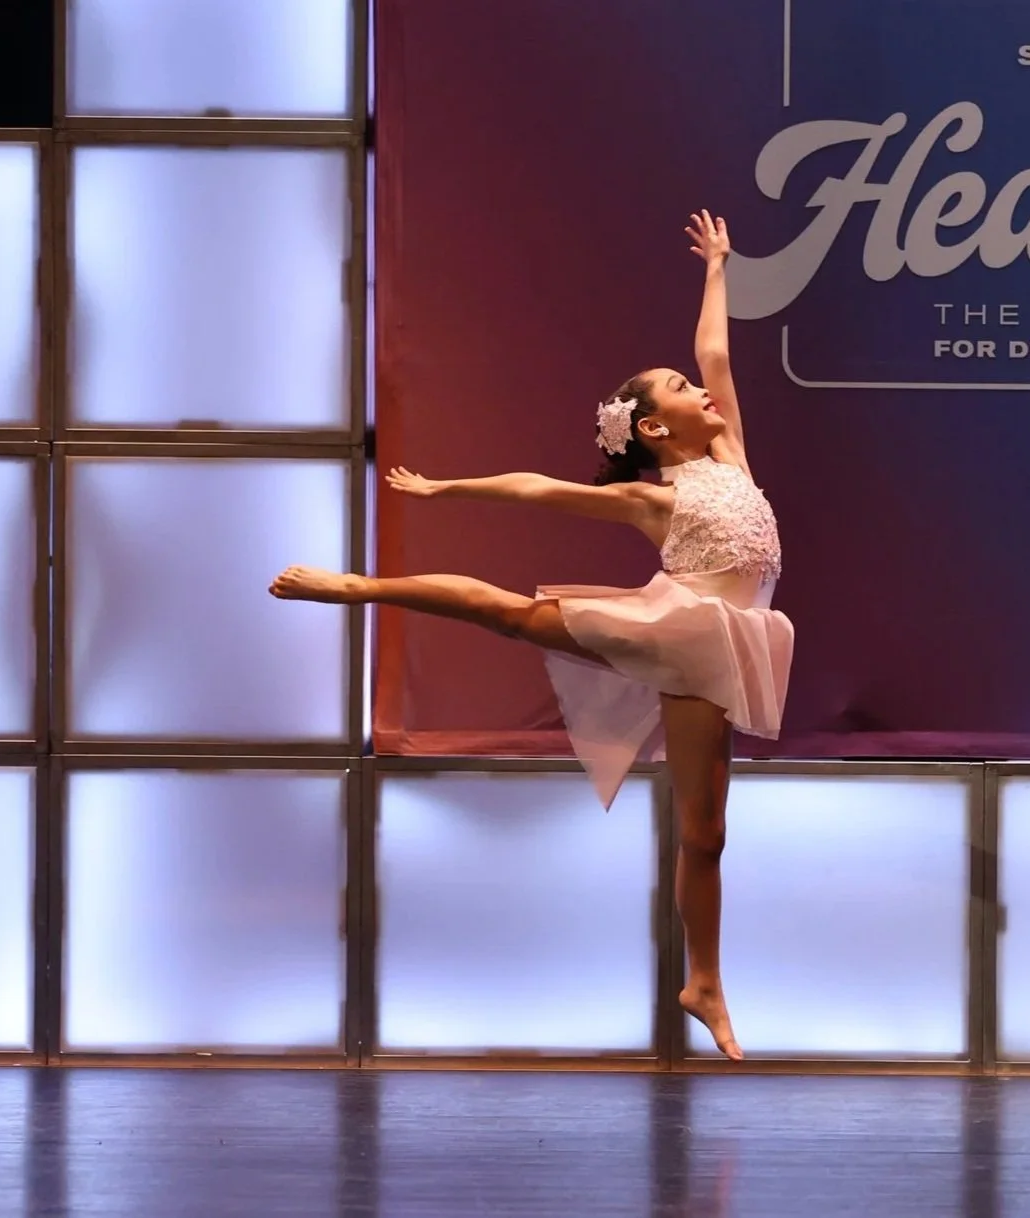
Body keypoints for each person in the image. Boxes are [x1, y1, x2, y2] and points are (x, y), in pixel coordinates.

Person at [270, 211, 790, 1060]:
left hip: (720, 649)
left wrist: (717, 269)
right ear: (654, 430)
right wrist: (446, 490)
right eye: (677, 389)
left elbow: (718, 356)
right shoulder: (654, 497)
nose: (700, 392)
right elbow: (537, 490)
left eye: (689, 386)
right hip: (674, 628)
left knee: (705, 834)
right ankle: (360, 586)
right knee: (508, 611)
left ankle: (703, 980)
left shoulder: (729, 452)